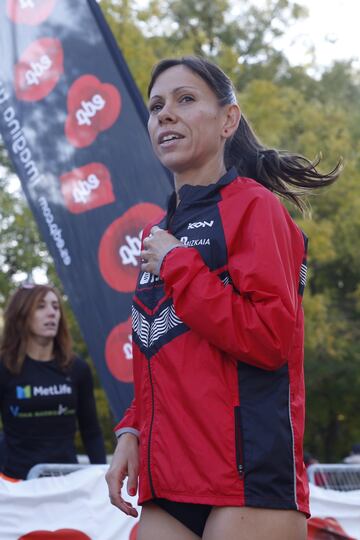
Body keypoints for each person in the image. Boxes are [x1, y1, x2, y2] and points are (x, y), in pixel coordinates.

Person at [106, 56, 341, 539]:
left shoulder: (255, 206)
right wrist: (131, 429)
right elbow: (164, 352)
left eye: (185, 99)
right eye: (156, 106)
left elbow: (271, 339)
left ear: (228, 119)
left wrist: (178, 267)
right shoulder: (159, 232)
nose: (165, 114)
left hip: (246, 477)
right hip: (166, 480)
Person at [0, 283, 106, 480]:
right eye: (41, 306)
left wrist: (102, 478)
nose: (52, 313)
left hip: (64, 481)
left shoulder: (77, 369)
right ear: (22, 314)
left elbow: (91, 431)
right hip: (14, 484)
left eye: (56, 307)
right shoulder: (5, 367)